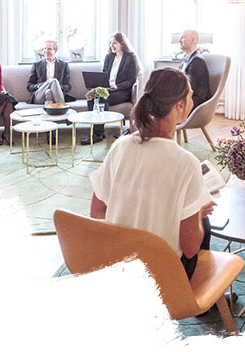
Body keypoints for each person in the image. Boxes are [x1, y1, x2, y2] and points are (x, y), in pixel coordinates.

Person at [89, 68, 214, 279]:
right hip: (161, 275)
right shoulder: (186, 163)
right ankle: (205, 302)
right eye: (191, 95)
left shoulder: (120, 146)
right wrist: (199, 215)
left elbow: (97, 211)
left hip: (118, 264)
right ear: (180, 105)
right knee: (204, 222)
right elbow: (190, 248)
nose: (193, 100)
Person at [81, 32, 138, 145]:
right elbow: (104, 74)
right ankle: (97, 131)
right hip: (107, 88)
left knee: (101, 98)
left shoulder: (131, 58)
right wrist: (100, 83)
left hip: (121, 91)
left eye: (114, 43)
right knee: (91, 96)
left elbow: (132, 80)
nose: (112, 45)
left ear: (122, 44)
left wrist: (117, 86)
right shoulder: (109, 57)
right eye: (110, 43)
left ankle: (97, 134)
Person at [27, 40, 74, 104]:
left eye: (49, 49)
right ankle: (62, 107)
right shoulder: (37, 65)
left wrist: (56, 87)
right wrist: (39, 86)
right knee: (54, 81)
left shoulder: (64, 65)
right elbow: (29, 85)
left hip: (55, 94)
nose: (46, 51)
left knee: (49, 91)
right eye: (44, 48)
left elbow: (68, 85)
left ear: (55, 50)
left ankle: (52, 111)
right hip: (39, 95)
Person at [178, 29, 211, 109]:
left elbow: (188, 86)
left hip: (196, 101)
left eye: (182, 38)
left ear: (193, 40)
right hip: (187, 97)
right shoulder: (185, 58)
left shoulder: (197, 60)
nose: (179, 40)